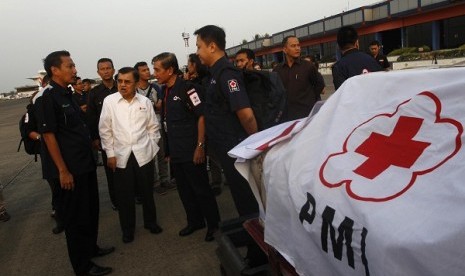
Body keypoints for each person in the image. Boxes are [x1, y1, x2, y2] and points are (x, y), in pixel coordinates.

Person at [36, 50, 113, 276]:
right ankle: (83, 266)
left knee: (90, 211)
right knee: (75, 218)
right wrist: (62, 170)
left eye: (74, 65)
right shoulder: (47, 97)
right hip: (69, 170)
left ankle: (91, 249)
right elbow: (49, 136)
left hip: (84, 164)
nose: (75, 70)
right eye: (69, 66)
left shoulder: (67, 94)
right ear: (55, 70)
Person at [153, 52, 220, 242]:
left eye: (157, 69)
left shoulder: (189, 89)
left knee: (201, 190)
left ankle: (214, 225)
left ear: (170, 70)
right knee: (184, 190)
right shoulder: (166, 91)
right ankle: (195, 221)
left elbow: (202, 116)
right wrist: (168, 152)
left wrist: (200, 146)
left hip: (192, 150)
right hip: (176, 152)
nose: (154, 73)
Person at [194, 25, 258, 217]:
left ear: (212, 47)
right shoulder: (215, 73)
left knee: (247, 199)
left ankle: (257, 243)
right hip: (227, 149)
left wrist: (257, 145)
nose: (197, 52)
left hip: (237, 149)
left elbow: (246, 115)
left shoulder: (227, 74)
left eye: (199, 47)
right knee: (240, 197)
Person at [99, 67, 163, 244]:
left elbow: (153, 127)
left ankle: (151, 222)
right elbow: (105, 130)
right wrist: (110, 154)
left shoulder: (144, 102)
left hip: (144, 153)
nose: (122, 85)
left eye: (127, 82)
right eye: (120, 81)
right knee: (125, 195)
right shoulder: (109, 101)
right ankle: (127, 229)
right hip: (120, 156)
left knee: (147, 192)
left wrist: (151, 147)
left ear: (136, 83)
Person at [184, 53, 223, 196]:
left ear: (194, 65)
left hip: (209, 121)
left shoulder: (206, 80)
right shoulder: (188, 82)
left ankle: (217, 182)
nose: (187, 67)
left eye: (189, 63)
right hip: (196, 124)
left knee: (213, 155)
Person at [134, 61, 175, 195]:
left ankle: (165, 179)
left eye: (148, 69)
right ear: (137, 73)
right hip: (142, 129)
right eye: (143, 70)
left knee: (162, 154)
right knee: (149, 156)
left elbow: (161, 104)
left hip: (157, 125)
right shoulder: (134, 90)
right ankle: (154, 182)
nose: (147, 72)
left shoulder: (156, 87)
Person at [87, 58, 118, 210]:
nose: (106, 71)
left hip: (125, 137)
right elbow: (91, 118)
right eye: (102, 69)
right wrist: (95, 138)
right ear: (98, 72)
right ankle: (116, 200)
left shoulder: (122, 87)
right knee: (111, 172)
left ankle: (135, 195)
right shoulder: (94, 93)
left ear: (113, 70)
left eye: (108, 68)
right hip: (107, 140)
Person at [273, 35, 325, 120]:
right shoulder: (277, 70)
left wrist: (308, 99)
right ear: (285, 49)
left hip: (306, 116)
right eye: (293, 46)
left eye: (298, 45)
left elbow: (319, 85)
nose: (297, 48)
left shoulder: (308, 66)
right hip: (286, 118)